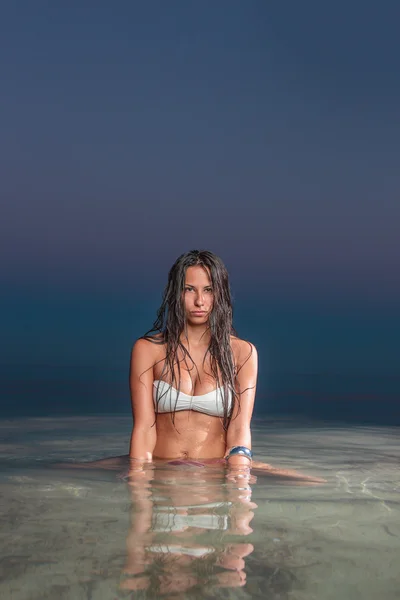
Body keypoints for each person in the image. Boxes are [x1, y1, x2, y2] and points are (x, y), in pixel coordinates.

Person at [126, 249, 323, 482]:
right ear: (175, 293)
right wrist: (139, 482)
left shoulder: (243, 353)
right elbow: (143, 429)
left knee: (312, 483)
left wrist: (239, 482)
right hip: (162, 471)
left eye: (208, 290)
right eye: (189, 289)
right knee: (76, 469)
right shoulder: (148, 349)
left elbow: (239, 430)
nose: (200, 301)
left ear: (220, 294)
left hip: (214, 474)